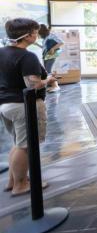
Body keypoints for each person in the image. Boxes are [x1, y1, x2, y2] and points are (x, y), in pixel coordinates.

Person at [0, 18, 55, 196]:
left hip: (6, 105)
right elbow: (32, 86)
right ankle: (21, 185)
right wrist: (48, 80)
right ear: (28, 35)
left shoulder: (2, 52)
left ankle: (13, 180)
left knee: (18, 144)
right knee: (25, 146)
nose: (36, 35)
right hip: (23, 106)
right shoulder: (27, 56)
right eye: (34, 32)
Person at [38, 24, 63, 93]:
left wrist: (53, 48)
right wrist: (36, 44)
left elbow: (61, 42)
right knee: (47, 71)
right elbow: (44, 48)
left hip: (51, 56)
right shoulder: (44, 38)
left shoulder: (51, 35)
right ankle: (54, 86)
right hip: (46, 56)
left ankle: (56, 86)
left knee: (48, 71)